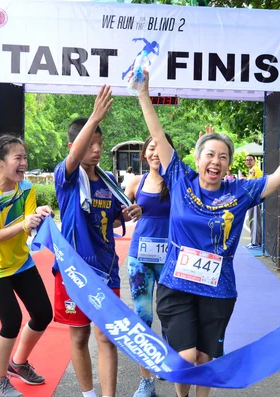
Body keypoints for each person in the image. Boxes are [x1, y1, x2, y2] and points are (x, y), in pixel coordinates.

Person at [137, 70, 280, 397]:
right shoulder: (180, 179)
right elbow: (157, 134)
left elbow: (278, 178)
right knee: (187, 357)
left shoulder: (239, 191)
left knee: (207, 360)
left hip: (219, 291)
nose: (215, 162)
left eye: (222, 157)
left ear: (228, 164)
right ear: (198, 158)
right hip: (176, 285)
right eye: (210, 155)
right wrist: (143, 94)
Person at [52, 85, 141, 397]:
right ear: (75, 145)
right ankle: (88, 394)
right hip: (74, 270)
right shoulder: (66, 177)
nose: (97, 149)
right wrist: (93, 117)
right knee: (78, 337)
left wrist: (130, 213)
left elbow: (112, 220)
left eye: (100, 144)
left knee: (106, 336)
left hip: (105, 270)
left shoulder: (107, 183)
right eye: (90, 143)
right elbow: (73, 158)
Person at [0, 135, 53, 397]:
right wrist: (24, 223)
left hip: (20, 262)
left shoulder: (26, 188)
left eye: (25, 157)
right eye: (18, 158)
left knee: (42, 314)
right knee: (11, 320)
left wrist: (42, 215)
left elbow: (30, 230)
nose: (24, 163)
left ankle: (17, 364)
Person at [124, 134, 174, 397]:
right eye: (151, 148)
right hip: (139, 260)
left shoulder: (177, 183)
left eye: (161, 148)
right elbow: (122, 211)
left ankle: (167, 362)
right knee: (143, 318)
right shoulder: (135, 182)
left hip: (171, 260)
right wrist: (133, 211)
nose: (156, 153)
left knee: (170, 316)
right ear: (144, 154)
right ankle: (147, 381)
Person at [245, 154, 264, 250]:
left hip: (255, 199)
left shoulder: (254, 169)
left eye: (250, 160)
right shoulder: (252, 170)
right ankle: (256, 241)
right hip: (253, 198)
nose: (248, 161)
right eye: (246, 160)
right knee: (253, 220)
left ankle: (255, 242)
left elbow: (254, 184)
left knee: (255, 220)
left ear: (254, 161)